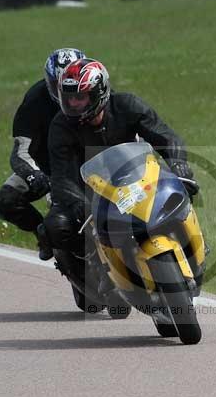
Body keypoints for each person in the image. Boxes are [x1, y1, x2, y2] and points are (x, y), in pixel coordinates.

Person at [44, 58, 198, 268]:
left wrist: (178, 161)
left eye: (80, 97)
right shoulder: (60, 127)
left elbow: (165, 136)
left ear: (99, 91)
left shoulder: (127, 105)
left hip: (140, 175)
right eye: (69, 98)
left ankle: (194, 245)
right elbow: (62, 175)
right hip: (92, 191)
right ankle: (93, 272)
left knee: (181, 187)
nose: (73, 104)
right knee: (57, 226)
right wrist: (78, 204)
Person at [0, 48, 85, 261]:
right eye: (58, 84)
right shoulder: (35, 100)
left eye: (72, 84)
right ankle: (42, 232)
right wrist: (36, 175)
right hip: (48, 167)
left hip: (89, 162)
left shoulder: (97, 91)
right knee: (4, 201)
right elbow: (20, 151)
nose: (65, 92)